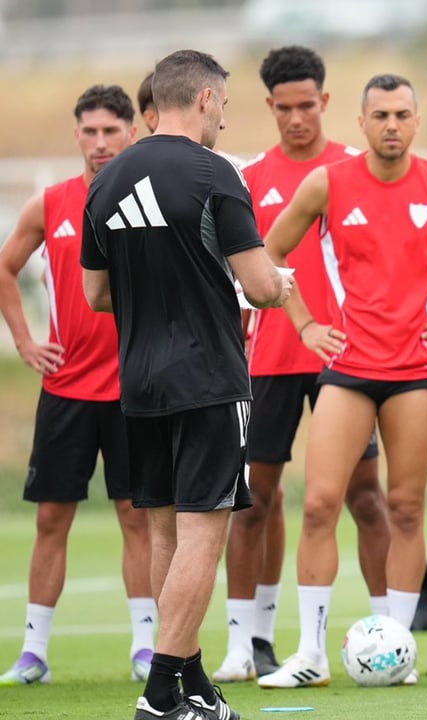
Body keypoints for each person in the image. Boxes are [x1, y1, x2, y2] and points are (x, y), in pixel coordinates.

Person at [255, 73, 427, 689]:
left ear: (417, 121)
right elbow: (269, 253)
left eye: (402, 115)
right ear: (361, 122)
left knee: (406, 508)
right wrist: (305, 323)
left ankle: (397, 651)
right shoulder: (327, 183)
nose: (392, 125)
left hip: (415, 374)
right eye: (381, 115)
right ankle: (310, 655)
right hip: (347, 369)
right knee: (319, 503)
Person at [83, 49, 292, 720]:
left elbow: (95, 295)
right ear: (204, 98)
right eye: (223, 105)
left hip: (140, 382)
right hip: (208, 380)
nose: (223, 120)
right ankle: (159, 695)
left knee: (165, 533)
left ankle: (192, 682)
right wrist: (280, 285)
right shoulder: (214, 172)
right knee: (203, 533)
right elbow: (259, 285)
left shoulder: (106, 180)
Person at [212, 45, 391, 684]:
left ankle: (389, 635)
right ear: (270, 105)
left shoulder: (355, 168)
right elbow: (241, 272)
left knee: (365, 498)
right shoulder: (250, 177)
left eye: (306, 106)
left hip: (346, 360)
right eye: (284, 108)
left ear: (325, 101)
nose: (296, 118)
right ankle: (247, 643)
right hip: (269, 359)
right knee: (254, 499)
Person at [0, 85, 155, 687]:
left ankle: (147, 648)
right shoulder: (50, 203)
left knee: (136, 516)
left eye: (110, 130)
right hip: (65, 390)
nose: (99, 142)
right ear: (76, 136)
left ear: (131, 133)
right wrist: (25, 341)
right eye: (89, 131)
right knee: (50, 519)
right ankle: (33, 653)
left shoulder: (147, 201)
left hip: (133, 390)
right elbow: (6, 267)